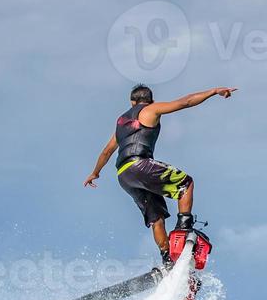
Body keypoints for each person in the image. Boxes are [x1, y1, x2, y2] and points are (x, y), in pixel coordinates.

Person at [84, 84, 237, 265]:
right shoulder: (152, 109)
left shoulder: (121, 122)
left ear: (132, 102)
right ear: (151, 100)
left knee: (157, 218)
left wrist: (95, 173)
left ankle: (167, 260)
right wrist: (213, 92)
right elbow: (186, 102)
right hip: (140, 165)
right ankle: (183, 230)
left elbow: (107, 151)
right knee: (186, 184)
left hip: (124, 176)